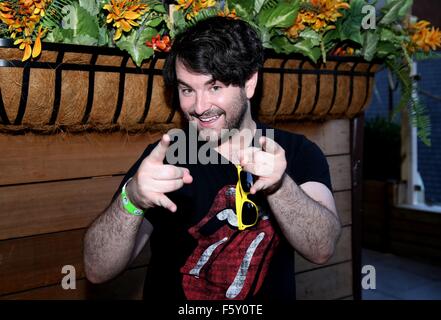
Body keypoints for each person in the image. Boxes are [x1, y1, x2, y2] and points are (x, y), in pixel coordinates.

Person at [84, 16, 341, 302]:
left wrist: (280, 186)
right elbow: (97, 270)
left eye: (214, 87)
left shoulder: (296, 151)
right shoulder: (165, 159)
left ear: (250, 83)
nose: (199, 106)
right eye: (187, 90)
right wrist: (131, 199)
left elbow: (322, 247)